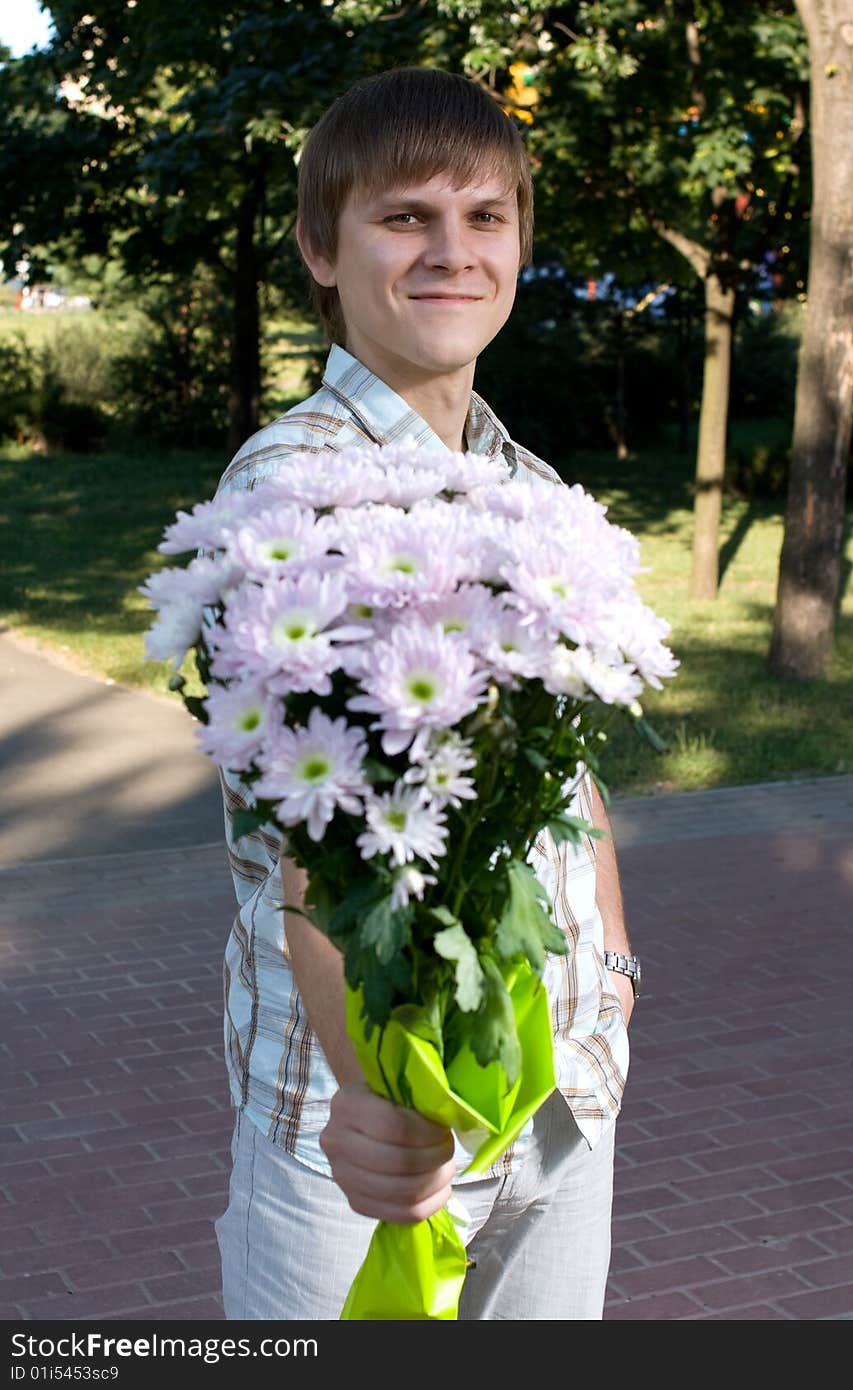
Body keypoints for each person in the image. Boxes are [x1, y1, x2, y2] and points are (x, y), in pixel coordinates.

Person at [212, 65, 640, 1321]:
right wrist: (368, 1093)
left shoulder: (525, 476)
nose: (451, 249)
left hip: (558, 1099)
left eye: (484, 216)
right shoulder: (294, 488)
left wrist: (610, 966)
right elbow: (319, 840)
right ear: (320, 249)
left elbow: (568, 755)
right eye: (405, 217)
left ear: (518, 240)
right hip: (379, 1139)